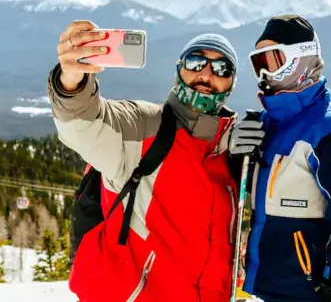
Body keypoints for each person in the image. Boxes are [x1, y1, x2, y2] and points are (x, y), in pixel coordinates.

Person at [47, 20, 241, 302]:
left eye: (222, 68)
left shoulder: (232, 152)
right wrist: (71, 80)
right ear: (179, 70)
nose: (206, 74)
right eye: (196, 61)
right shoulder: (142, 126)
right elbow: (84, 121)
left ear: (231, 83)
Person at [229, 14, 331, 302]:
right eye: (259, 64)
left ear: (302, 58)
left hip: (305, 289)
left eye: (273, 60)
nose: (265, 73)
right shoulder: (268, 123)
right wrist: (235, 154)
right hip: (261, 282)